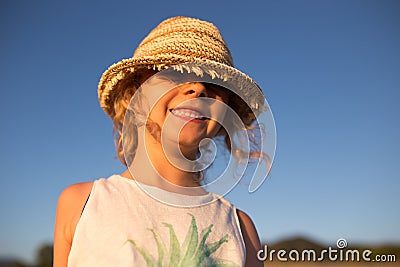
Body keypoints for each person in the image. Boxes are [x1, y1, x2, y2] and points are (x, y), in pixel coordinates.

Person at [54, 16, 268, 267]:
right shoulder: (83, 203)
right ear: (134, 96)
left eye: (215, 82)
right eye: (175, 73)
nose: (198, 88)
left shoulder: (241, 229)